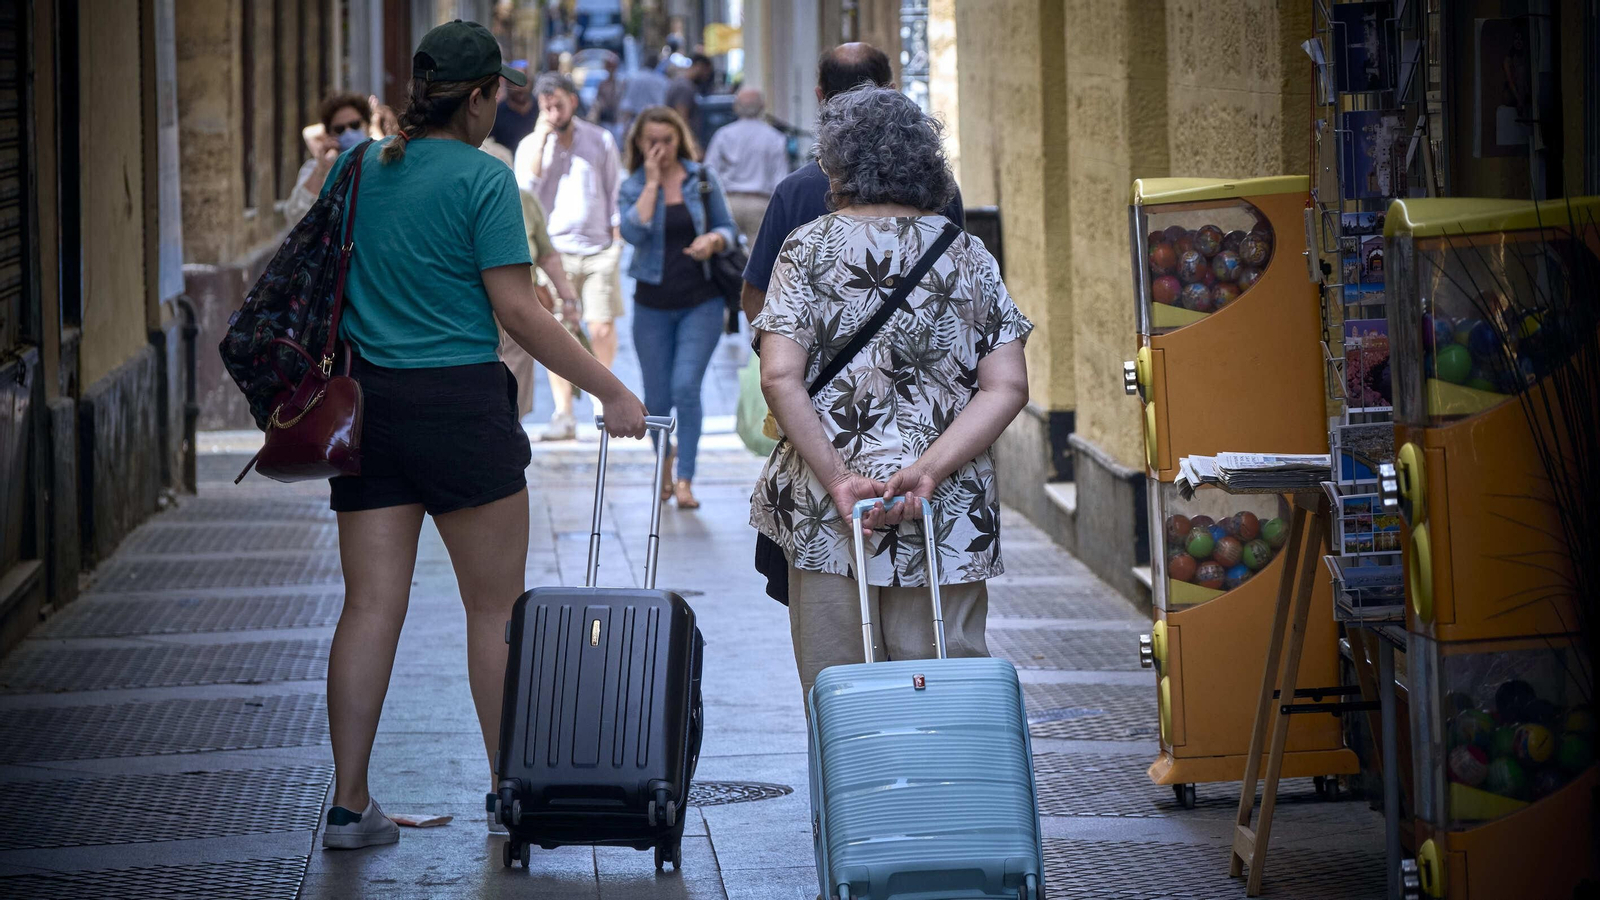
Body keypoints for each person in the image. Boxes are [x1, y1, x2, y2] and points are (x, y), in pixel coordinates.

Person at [315, 20, 647, 851]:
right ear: (476, 98)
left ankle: (350, 806)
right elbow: (519, 309)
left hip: (371, 410)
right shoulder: (483, 179)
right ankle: (508, 796)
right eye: (499, 93)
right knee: (493, 610)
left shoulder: (354, 169)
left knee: (367, 608)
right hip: (462, 408)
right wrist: (610, 388)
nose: (503, 107)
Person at [750, 85, 1031, 702]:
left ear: (836, 164)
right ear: (923, 161)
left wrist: (836, 477)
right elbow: (1007, 385)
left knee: (840, 693)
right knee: (944, 689)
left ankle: (854, 802)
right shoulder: (967, 254)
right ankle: (938, 799)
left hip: (830, 510)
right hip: (947, 510)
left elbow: (778, 376)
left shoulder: (808, 248)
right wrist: (927, 471)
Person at [740, 43, 966, 323]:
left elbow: (759, 301)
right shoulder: (941, 187)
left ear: (820, 96)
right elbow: (964, 291)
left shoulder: (795, 193)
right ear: (893, 93)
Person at [617, 107, 737, 510]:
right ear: (638, 143)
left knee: (686, 386)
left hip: (700, 301)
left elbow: (729, 229)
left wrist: (714, 242)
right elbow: (632, 232)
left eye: (667, 141)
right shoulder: (634, 185)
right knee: (655, 397)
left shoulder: (701, 178)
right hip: (651, 305)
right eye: (652, 141)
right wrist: (652, 184)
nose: (660, 149)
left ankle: (685, 478)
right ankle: (663, 464)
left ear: (679, 140)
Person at [513, 73, 625, 442]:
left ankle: (598, 390)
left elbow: (614, 189)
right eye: (546, 106)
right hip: (553, 252)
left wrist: (616, 239)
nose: (553, 111)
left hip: (597, 250)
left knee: (601, 325)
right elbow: (524, 196)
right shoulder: (531, 144)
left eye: (558, 103)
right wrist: (543, 145)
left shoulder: (600, 139)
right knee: (558, 331)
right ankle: (563, 411)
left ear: (573, 102)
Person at [701, 87, 789, 246]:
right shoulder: (775, 137)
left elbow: (709, 171)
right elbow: (780, 178)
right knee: (756, 258)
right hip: (760, 203)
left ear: (736, 107)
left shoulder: (723, 134)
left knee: (728, 256)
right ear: (762, 106)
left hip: (727, 202)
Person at [285, 92, 373, 224]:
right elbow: (295, 215)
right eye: (340, 129)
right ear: (330, 134)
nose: (348, 132)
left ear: (366, 125)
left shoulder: (383, 163)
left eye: (355, 125)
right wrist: (321, 170)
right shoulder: (317, 168)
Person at [489, 59, 537, 151]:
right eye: (514, 83)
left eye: (523, 82)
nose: (519, 88)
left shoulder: (541, 109)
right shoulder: (497, 113)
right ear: (507, 84)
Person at [665, 54, 712, 138]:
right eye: (706, 71)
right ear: (699, 66)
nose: (706, 76)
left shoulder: (681, 83)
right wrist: (692, 144)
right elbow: (682, 117)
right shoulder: (685, 87)